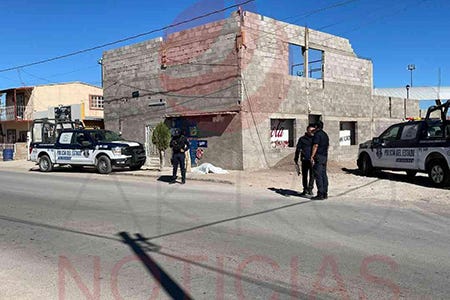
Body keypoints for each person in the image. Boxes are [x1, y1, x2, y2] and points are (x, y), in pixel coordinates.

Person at [294, 124, 315, 196]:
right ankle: (305, 189)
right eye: (311, 130)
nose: (312, 132)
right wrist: (296, 158)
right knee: (304, 175)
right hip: (305, 159)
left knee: (312, 175)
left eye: (313, 130)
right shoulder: (302, 139)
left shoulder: (315, 138)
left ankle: (310, 189)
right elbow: (298, 149)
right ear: (307, 130)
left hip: (313, 160)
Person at [310, 121, 329, 200]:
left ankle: (320, 194)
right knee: (324, 174)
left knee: (318, 175)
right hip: (324, 156)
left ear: (317, 127)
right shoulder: (325, 135)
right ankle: (325, 193)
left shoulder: (317, 135)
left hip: (318, 156)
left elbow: (315, 145)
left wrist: (312, 156)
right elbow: (328, 146)